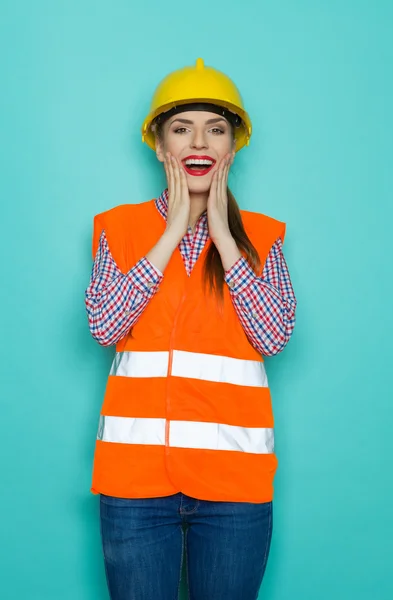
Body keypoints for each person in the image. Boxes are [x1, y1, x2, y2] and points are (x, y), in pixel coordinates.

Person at [85, 57, 297, 600]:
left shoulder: (262, 239)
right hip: (133, 484)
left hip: (234, 488)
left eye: (216, 129)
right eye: (181, 128)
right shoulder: (120, 228)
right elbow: (105, 325)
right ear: (160, 146)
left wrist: (226, 239)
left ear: (232, 148)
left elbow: (273, 337)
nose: (198, 141)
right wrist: (173, 228)